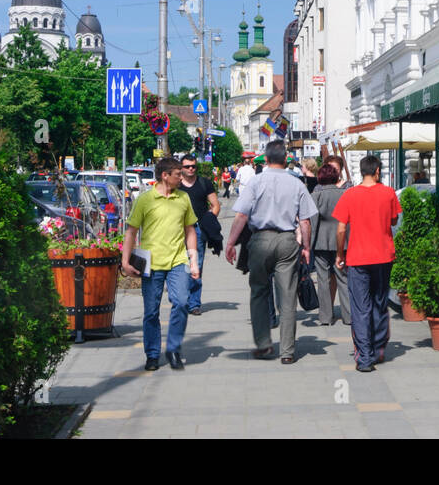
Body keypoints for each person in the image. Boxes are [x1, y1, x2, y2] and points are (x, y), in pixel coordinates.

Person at [225, 140, 317, 363]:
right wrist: (306, 247)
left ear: (265, 160)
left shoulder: (256, 182)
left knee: (258, 292)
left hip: (260, 240)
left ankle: (265, 345)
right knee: (287, 297)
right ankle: (287, 352)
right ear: (286, 159)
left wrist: (230, 243)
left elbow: (242, 216)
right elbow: (305, 221)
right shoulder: (297, 184)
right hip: (287, 241)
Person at [121, 157, 199, 371]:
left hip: (178, 260)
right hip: (151, 263)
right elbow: (131, 231)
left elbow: (190, 230)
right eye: (178, 174)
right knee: (151, 312)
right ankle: (152, 354)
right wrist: (125, 261)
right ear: (165, 176)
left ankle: (173, 349)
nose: (182, 178)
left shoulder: (183, 198)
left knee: (182, 302)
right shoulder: (145, 200)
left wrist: (194, 261)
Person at [333, 154, 401, 373]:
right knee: (380, 303)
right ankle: (379, 347)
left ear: (362, 171)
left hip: (358, 257)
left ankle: (364, 357)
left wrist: (339, 253)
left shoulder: (350, 194)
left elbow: (341, 228)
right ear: (378, 171)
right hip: (383, 256)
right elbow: (394, 220)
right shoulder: (388, 193)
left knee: (360, 308)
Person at [179, 154, 221, 316]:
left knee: (196, 265)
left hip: (198, 229)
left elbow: (215, 205)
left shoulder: (204, 183)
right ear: (181, 168)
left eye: (193, 166)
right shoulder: (176, 185)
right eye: (187, 166)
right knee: (179, 265)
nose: (190, 169)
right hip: (178, 229)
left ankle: (194, 303)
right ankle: (182, 298)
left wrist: (209, 220)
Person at [311, 161, 351, 326]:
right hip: (342, 241)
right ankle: (349, 316)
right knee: (343, 279)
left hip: (321, 241)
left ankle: (325, 317)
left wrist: (308, 245)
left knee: (323, 280)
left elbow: (312, 222)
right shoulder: (345, 194)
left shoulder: (316, 196)